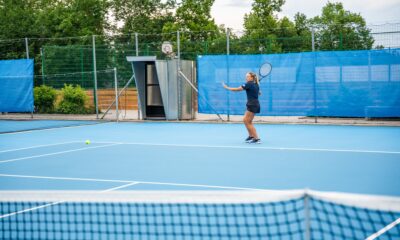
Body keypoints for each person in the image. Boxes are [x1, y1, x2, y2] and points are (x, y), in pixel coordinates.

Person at [222, 72, 261, 144]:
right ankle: (251, 136)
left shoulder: (249, 84)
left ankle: (257, 138)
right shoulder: (256, 84)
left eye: (248, 76)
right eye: (246, 76)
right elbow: (259, 93)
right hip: (254, 104)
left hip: (252, 105)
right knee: (246, 121)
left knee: (247, 121)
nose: (246, 78)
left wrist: (226, 87)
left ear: (251, 78)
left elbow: (237, 89)